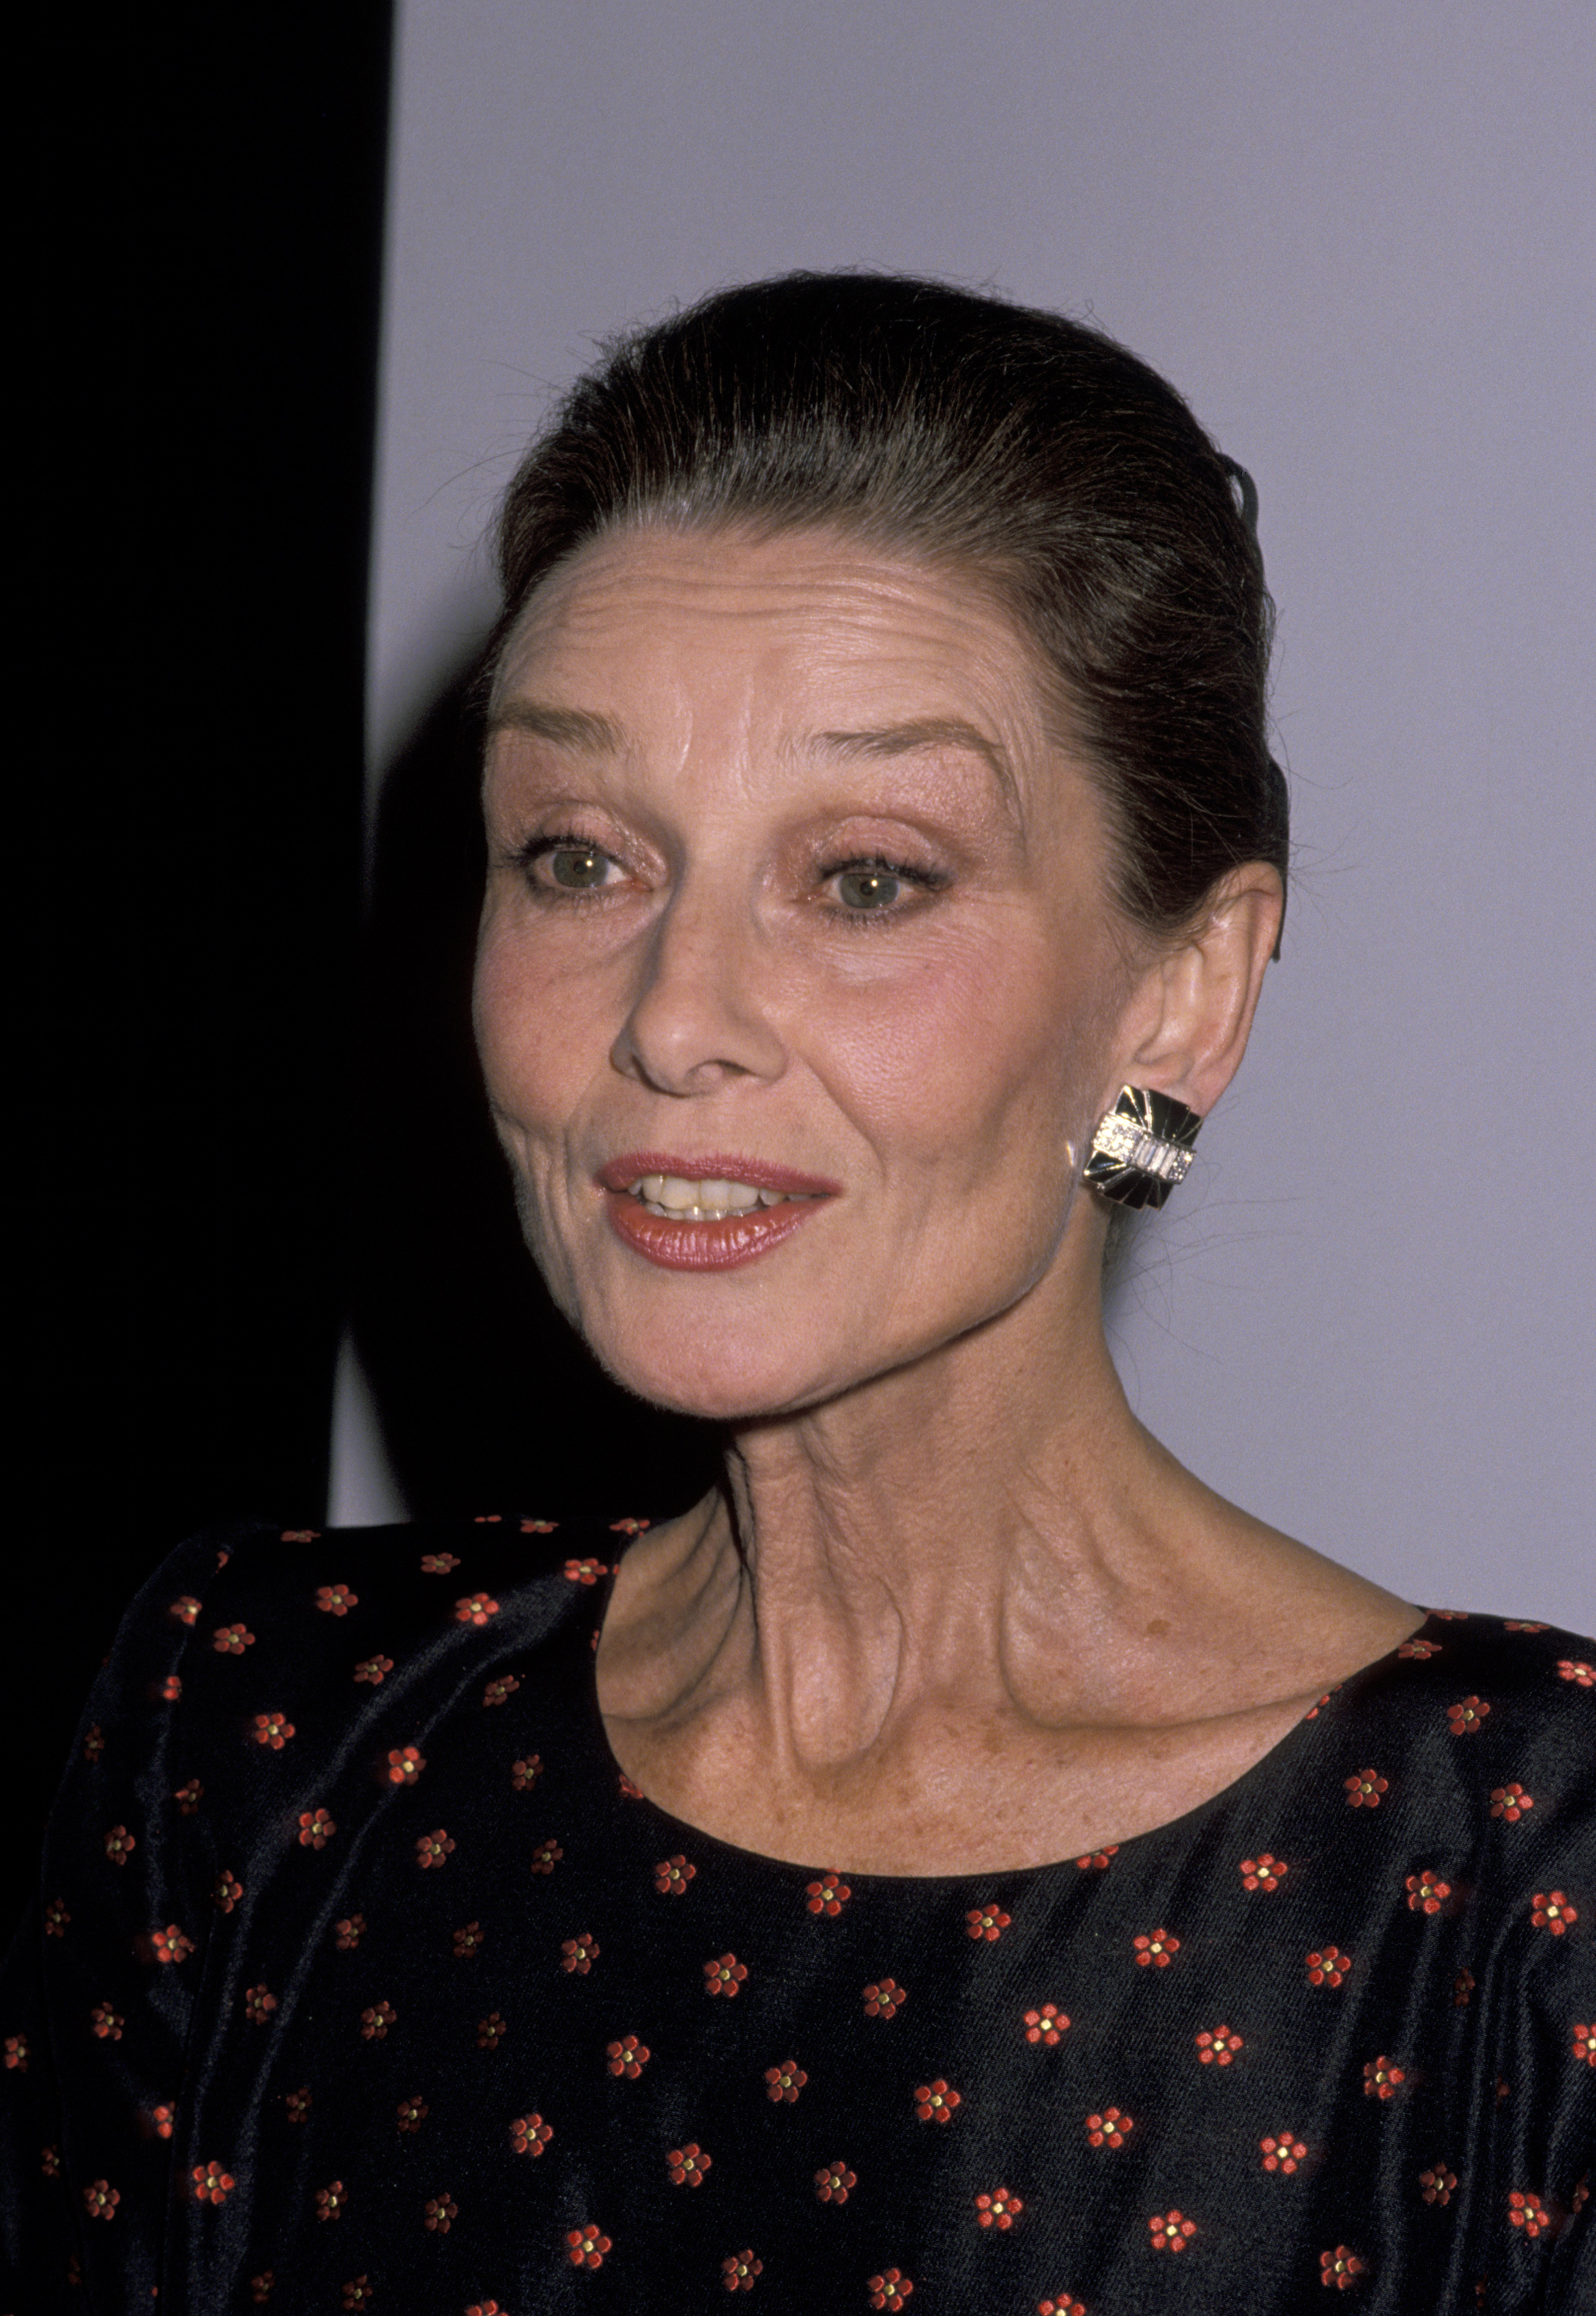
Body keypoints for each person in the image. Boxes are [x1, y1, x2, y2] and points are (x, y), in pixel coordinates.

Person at [3, 274, 1591, 2314]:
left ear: (1181, 994)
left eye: (861, 880)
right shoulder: (271, 1726)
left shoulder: (1511, 1885)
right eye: (578, 855)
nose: (671, 1019)